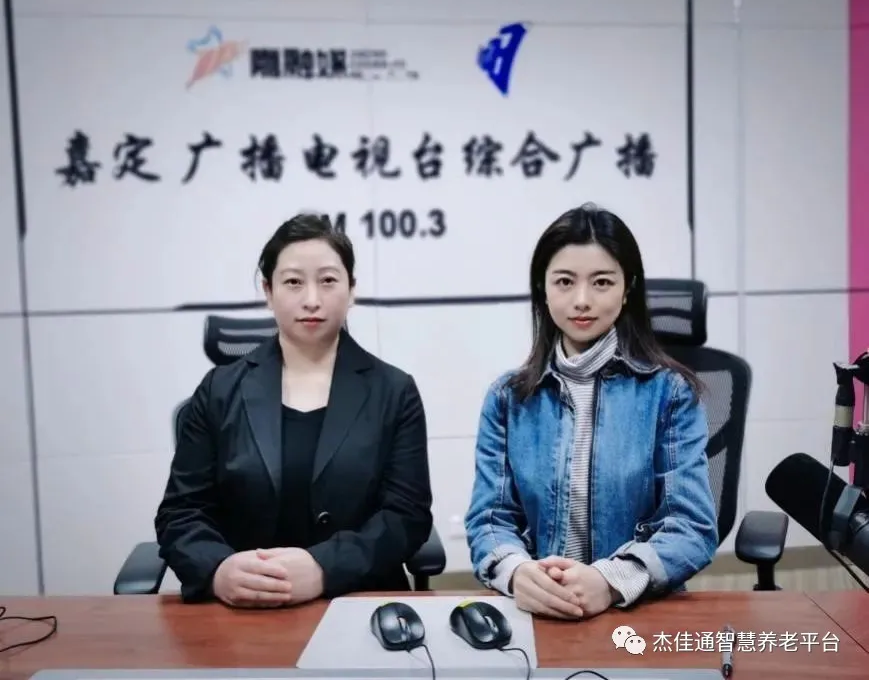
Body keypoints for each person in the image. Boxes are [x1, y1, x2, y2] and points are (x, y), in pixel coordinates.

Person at [155, 213, 433, 607]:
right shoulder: (219, 390)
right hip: (243, 608)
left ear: (351, 290)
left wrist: (324, 567)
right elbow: (181, 513)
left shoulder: (394, 391)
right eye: (293, 282)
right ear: (268, 291)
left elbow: (407, 517)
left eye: (328, 280)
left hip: (359, 599)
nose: (312, 299)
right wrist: (218, 570)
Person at [464, 203, 718, 620]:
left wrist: (610, 581)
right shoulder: (508, 398)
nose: (582, 300)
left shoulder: (670, 393)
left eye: (602, 282)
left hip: (636, 612)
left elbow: (691, 528)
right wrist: (517, 572)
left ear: (627, 288)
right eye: (565, 281)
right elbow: (490, 519)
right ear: (543, 288)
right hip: (539, 611)